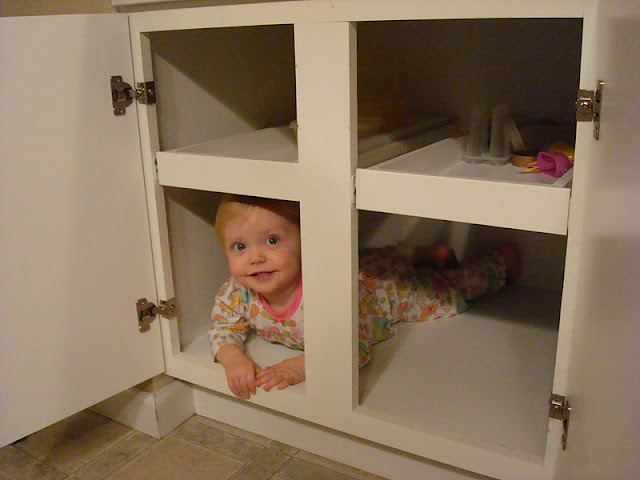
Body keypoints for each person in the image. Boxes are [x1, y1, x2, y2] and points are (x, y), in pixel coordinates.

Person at [209, 194, 521, 399]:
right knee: (373, 257)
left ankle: (498, 267)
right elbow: (222, 328)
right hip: (364, 264)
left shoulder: (325, 294)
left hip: (380, 291)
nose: (256, 258)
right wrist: (234, 360)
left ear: (306, 242)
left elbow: (354, 346)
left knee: (441, 295)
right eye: (240, 246)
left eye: (272, 241)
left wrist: (304, 365)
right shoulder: (237, 291)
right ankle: (419, 254)